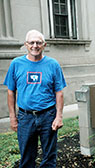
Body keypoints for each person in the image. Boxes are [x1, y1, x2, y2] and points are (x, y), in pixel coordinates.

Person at [4, 29, 67, 168]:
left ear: (44, 45)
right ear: (26, 44)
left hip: (48, 116)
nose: (35, 46)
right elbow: (10, 92)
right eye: (31, 42)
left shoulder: (53, 64)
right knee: (26, 156)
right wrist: (13, 117)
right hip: (25, 117)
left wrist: (59, 116)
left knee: (49, 157)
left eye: (38, 42)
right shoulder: (16, 64)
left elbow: (59, 93)